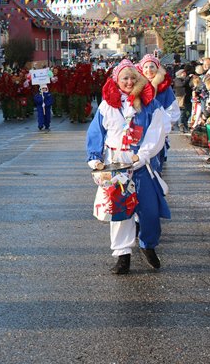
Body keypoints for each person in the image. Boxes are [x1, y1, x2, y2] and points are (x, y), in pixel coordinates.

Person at [86, 60, 170, 274]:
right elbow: (96, 132)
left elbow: (157, 130)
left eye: (133, 77)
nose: (130, 82)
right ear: (117, 80)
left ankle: (147, 245)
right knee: (120, 211)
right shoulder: (107, 105)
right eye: (125, 78)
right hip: (116, 166)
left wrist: (143, 155)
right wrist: (95, 157)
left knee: (149, 210)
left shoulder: (149, 103)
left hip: (141, 164)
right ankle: (122, 255)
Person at [138, 54, 179, 171]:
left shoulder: (164, 87)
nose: (149, 70)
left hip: (158, 128)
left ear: (157, 69)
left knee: (156, 162)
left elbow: (172, 108)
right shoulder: (137, 86)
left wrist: (165, 125)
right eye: (146, 67)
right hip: (141, 129)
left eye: (152, 67)